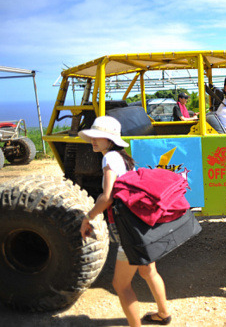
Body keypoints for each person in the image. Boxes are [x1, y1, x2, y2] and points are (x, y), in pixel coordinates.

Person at [79, 116, 172, 327]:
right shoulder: (122, 157)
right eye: (92, 137)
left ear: (110, 140)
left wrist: (88, 218)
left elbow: (107, 196)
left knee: (120, 285)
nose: (93, 141)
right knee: (148, 272)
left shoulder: (109, 158)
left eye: (99, 137)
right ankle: (163, 313)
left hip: (127, 229)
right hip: (139, 223)